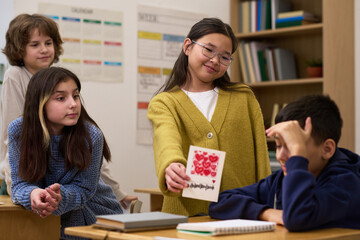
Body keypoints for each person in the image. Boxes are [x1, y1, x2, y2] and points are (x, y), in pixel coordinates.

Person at [0, 13, 137, 207]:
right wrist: (19, 191)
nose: (44, 50)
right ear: (19, 49)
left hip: (56, 185)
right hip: (26, 174)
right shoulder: (15, 76)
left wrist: (117, 191)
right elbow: (11, 138)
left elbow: (87, 149)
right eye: (34, 44)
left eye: (48, 43)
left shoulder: (60, 79)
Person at [147, 17, 271, 216]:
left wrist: (267, 209)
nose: (215, 60)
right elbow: (166, 138)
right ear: (188, 46)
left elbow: (262, 157)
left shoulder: (243, 97)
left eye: (224, 57)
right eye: (209, 49)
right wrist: (172, 165)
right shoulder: (164, 102)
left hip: (242, 213)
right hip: (186, 215)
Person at [209, 94, 360, 231]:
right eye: (279, 145)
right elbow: (219, 202)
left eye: (293, 145)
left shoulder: (346, 183)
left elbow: (297, 218)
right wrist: (266, 213)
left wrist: (297, 156)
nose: (280, 155)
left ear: (327, 149)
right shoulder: (279, 180)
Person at [8, 67, 123, 239]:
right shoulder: (19, 131)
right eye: (61, 98)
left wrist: (58, 198)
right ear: (40, 102)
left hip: (95, 217)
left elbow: (84, 190)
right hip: (43, 219)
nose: (73, 104)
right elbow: (19, 184)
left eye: (75, 96)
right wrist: (33, 194)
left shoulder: (91, 136)